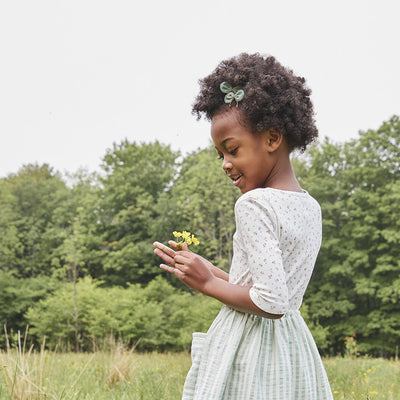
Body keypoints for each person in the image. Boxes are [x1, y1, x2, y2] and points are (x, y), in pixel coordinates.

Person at [153, 53, 333, 399]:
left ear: (272, 139)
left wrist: (206, 283)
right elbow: (266, 286)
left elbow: (270, 302)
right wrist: (212, 270)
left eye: (232, 150)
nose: (225, 164)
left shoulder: (254, 204)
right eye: (220, 154)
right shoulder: (310, 206)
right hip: (292, 348)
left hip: (251, 346)